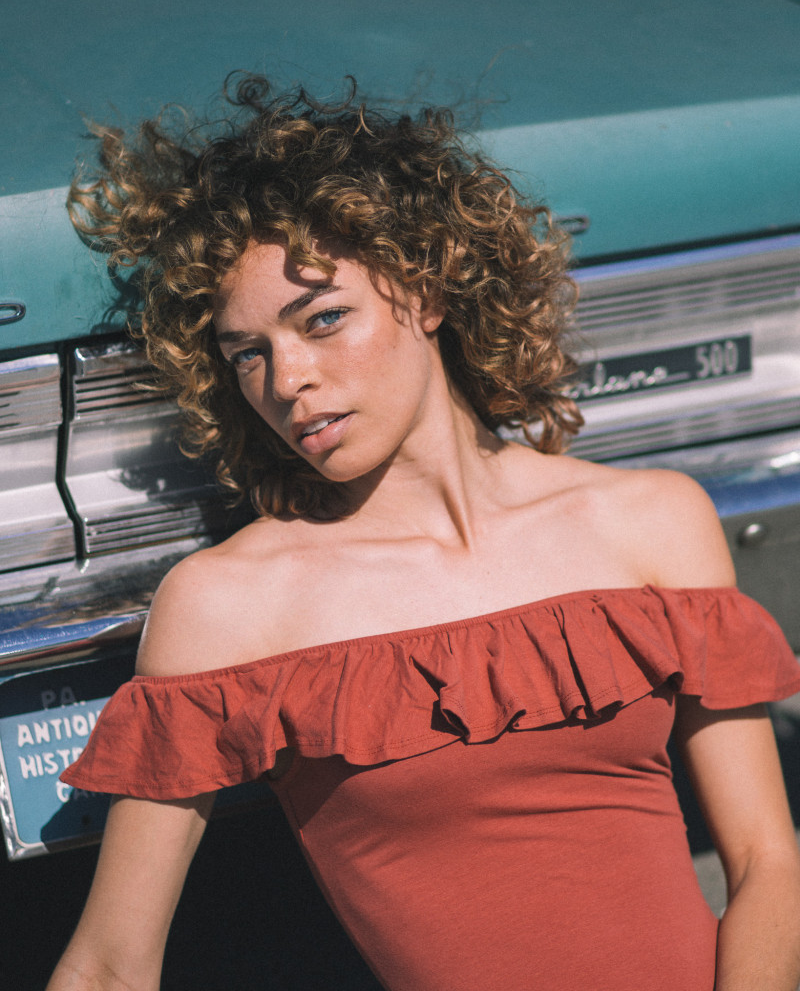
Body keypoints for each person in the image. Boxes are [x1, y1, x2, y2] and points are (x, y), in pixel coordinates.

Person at [49, 75, 800, 991]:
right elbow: (110, 964)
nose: (287, 380)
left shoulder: (650, 523)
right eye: (248, 354)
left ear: (427, 290)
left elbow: (767, 862)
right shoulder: (231, 605)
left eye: (323, 319)